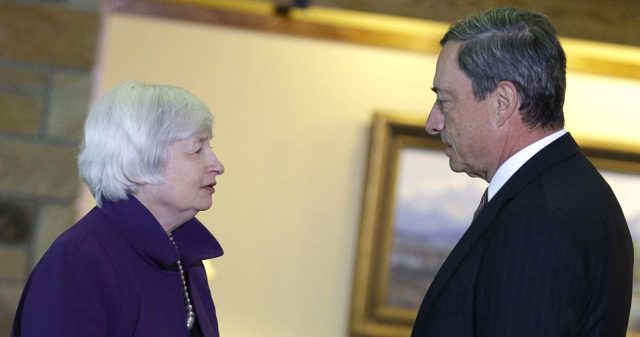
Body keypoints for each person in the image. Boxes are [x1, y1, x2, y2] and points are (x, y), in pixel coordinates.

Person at [411, 7, 633, 337]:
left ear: (503, 103)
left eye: (445, 101)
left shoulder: (536, 222)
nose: (433, 122)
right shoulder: (576, 190)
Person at [12, 81, 226, 337]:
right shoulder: (79, 261)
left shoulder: (186, 258)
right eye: (197, 149)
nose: (217, 165)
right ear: (138, 161)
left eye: (209, 147)